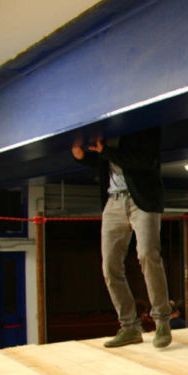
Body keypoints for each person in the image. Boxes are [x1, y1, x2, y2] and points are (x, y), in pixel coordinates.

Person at [71, 127, 172, 348]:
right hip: (113, 200)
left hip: (142, 200)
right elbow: (105, 163)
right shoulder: (105, 133)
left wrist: (105, 150)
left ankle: (162, 320)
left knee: (147, 255)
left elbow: (143, 161)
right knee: (110, 266)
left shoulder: (144, 127)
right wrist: (83, 157)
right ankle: (129, 327)